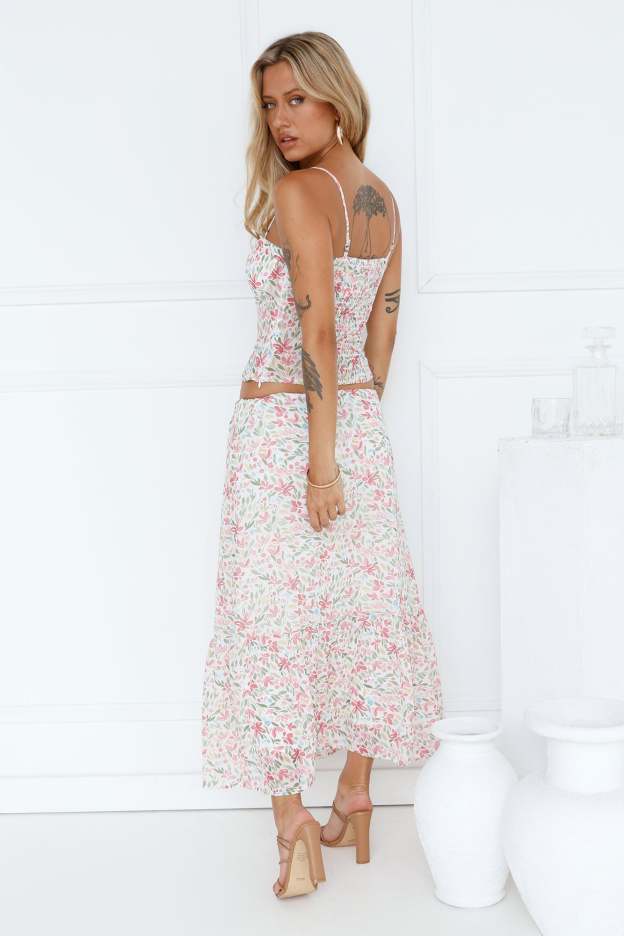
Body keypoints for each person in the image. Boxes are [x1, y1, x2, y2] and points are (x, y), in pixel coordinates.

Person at [201, 31, 443, 899]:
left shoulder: (300, 193)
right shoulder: (383, 201)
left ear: (338, 99)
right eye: (270, 103)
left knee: (272, 621)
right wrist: (356, 432)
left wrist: (321, 465)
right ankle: (355, 795)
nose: (281, 119)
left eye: (297, 98)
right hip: (357, 426)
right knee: (360, 612)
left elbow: (318, 332)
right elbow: (381, 334)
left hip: (288, 437)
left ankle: (293, 825)